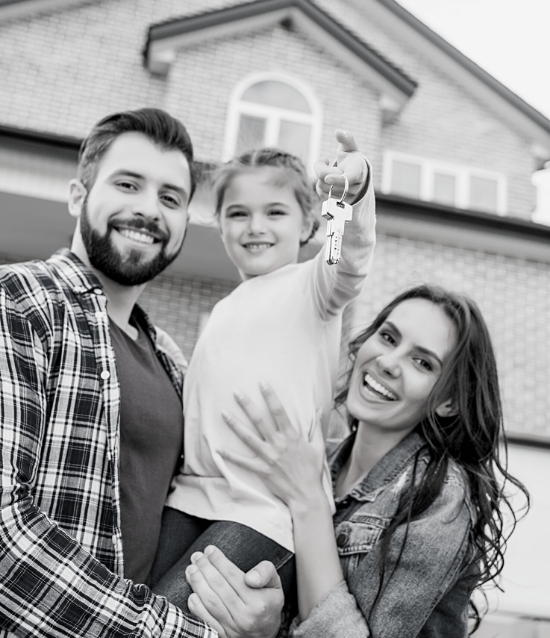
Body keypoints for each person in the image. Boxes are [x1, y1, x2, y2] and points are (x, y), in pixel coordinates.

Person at [0, 108, 284, 638]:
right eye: (128, 184)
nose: (148, 209)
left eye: (170, 198)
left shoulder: (176, 364)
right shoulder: (18, 303)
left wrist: (258, 617)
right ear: (78, 196)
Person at [185, 285, 528, 637]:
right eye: (389, 338)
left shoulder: (439, 499)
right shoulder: (322, 460)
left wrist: (309, 500)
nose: (389, 363)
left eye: (422, 362)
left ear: (449, 403)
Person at [150, 131, 376, 608]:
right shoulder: (225, 309)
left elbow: (346, 258)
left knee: (167, 618)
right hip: (191, 497)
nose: (255, 226)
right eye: (238, 214)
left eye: (275, 212)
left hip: (263, 509)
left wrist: (345, 200)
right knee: (138, 604)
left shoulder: (312, 288)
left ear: (307, 222)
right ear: (220, 225)